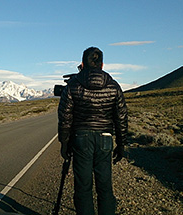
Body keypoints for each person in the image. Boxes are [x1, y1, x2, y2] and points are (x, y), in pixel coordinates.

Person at [58, 47, 128, 215]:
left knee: (83, 187)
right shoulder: (113, 85)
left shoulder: (73, 84)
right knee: (105, 186)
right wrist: (121, 143)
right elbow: (121, 116)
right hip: (105, 138)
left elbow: (65, 116)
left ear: (82, 64)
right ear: (102, 64)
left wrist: (64, 143)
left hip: (81, 139)